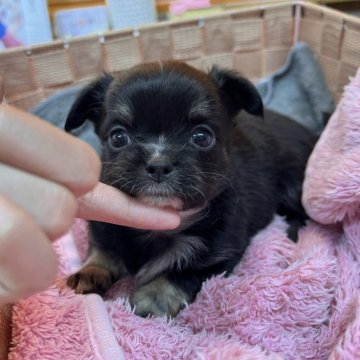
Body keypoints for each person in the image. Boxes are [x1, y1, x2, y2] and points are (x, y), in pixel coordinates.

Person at [0, 79, 180, 303]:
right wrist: (100, 260)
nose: (158, 160)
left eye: (200, 138)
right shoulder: (100, 207)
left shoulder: (227, 222)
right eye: (120, 137)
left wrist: (178, 286)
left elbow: (221, 257)